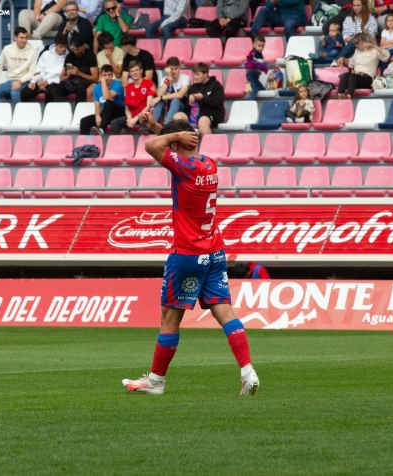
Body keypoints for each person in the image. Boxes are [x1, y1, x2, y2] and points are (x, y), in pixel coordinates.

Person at [122, 119, 259, 396]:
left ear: (175, 143)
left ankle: (156, 381)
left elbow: (151, 146)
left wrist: (165, 134)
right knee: (225, 311)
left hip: (186, 253)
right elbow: (171, 143)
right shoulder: (209, 164)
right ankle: (247, 371)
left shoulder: (183, 168)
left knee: (170, 318)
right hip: (214, 251)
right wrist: (161, 127)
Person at [173, 62, 225, 137]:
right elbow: (187, 106)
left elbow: (219, 103)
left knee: (202, 122)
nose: (195, 77)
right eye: (194, 74)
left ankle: (209, 147)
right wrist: (189, 102)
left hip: (213, 112)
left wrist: (203, 98)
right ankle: (187, 142)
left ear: (205, 74)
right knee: (177, 117)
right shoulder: (194, 87)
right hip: (195, 113)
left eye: (198, 74)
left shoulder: (216, 85)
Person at [0, 27, 39, 106]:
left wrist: (20, 81)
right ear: (15, 38)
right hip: (10, 81)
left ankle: (19, 117)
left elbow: (32, 72)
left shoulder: (32, 51)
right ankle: (1, 116)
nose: (24, 40)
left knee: (15, 93)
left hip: (24, 82)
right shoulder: (7, 49)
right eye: (22, 38)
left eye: (26, 38)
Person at [335, 32, 390, 99]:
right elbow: (351, 63)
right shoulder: (357, 51)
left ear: (364, 42)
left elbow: (387, 56)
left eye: (357, 43)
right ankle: (339, 95)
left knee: (353, 76)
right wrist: (343, 59)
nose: (356, 45)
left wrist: (373, 45)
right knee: (346, 75)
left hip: (368, 79)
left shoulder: (375, 51)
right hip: (356, 78)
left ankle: (348, 96)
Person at [108, 60, 157, 135]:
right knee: (114, 123)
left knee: (144, 126)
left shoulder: (149, 84)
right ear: (130, 74)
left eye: (137, 70)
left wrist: (135, 119)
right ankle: (117, 145)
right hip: (132, 116)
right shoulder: (128, 87)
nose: (135, 73)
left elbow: (149, 106)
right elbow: (127, 108)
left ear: (141, 70)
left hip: (145, 116)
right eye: (132, 71)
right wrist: (129, 119)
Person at [47, 35, 99, 103]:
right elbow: (61, 78)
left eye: (77, 49)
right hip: (71, 82)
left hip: (84, 83)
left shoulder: (90, 55)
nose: (75, 51)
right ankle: (68, 109)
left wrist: (79, 73)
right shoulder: (70, 56)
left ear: (83, 46)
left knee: (81, 88)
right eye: (73, 49)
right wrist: (69, 75)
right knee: (55, 90)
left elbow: (95, 78)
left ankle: (78, 110)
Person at [20, 33, 68, 103]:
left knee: (49, 92)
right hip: (42, 82)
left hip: (56, 83)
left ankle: (47, 113)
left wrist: (48, 81)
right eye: (61, 47)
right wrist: (33, 81)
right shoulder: (46, 54)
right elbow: (38, 71)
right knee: (25, 92)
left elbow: (65, 77)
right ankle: (31, 112)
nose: (63, 49)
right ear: (55, 45)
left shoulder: (69, 57)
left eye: (65, 46)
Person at [80, 64, 125, 135]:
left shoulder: (117, 85)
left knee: (108, 103)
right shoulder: (97, 88)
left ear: (112, 75)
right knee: (84, 121)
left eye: (109, 75)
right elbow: (97, 104)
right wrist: (97, 115)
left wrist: (103, 82)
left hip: (119, 113)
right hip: (106, 115)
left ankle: (101, 129)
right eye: (104, 75)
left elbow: (107, 97)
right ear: (100, 75)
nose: (107, 77)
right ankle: (84, 144)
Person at [152, 57, 191, 125]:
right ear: (167, 69)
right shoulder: (165, 79)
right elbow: (160, 94)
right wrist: (168, 78)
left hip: (181, 108)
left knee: (175, 100)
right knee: (159, 102)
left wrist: (161, 97)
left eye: (175, 68)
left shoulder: (185, 78)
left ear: (179, 68)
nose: (173, 71)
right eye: (171, 69)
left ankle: (167, 126)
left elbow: (180, 95)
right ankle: (152, 125)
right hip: (167, 107)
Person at [245, 35, 268, 101]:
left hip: (255, 74)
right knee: (255, 87)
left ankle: (265, 103)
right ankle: (251, 103)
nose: (261, 48)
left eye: (262, 46)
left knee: (262, 90)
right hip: (252, 73)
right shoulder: (253, 53)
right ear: (254, 45)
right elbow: (251, 62)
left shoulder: (259, 53)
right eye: (259, 46)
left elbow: (263, 63)